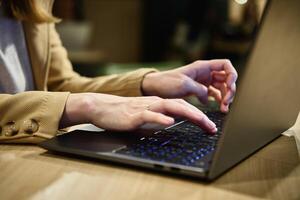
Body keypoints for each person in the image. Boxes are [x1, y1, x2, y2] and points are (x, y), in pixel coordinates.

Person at [0, 0, 237, 143]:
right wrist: (86, 106)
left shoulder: (32, 5)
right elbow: (66, 100)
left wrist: (149, 82)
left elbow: (61, 85)